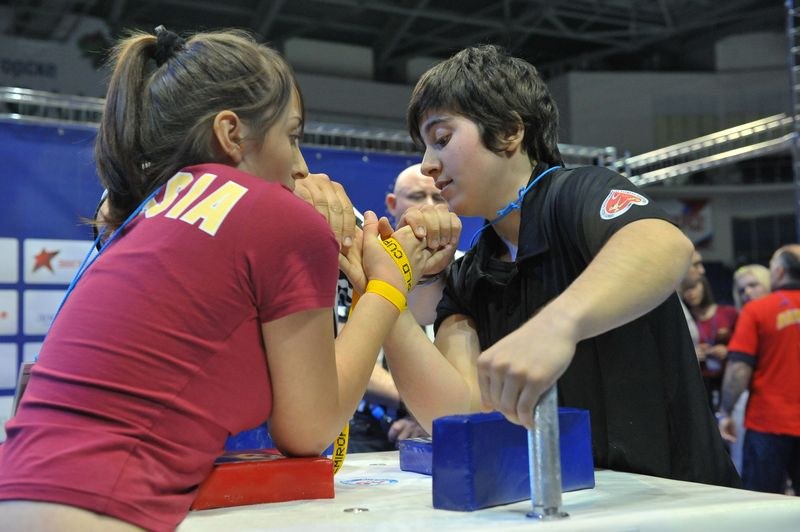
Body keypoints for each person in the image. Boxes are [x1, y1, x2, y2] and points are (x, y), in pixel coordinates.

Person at [0, 27, 439, 531]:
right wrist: (387, 285)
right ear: (231, 133)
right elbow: (309, 428)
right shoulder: (281, 217)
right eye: (292, 137)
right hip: (97, 510)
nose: (302, 167)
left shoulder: (149, 206)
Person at [367, 44, 740, 487]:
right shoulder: (471, 272)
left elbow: (664, 244)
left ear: (509, 131)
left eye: (442, 138)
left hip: (683, 497)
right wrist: (387, 288)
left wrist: (555, 327)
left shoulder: (578, 193)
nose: (428, 165)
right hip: (579, 505)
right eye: (425, 147)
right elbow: (459, 413)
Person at [346, 164, 448, 451]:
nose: (429, 206)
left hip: (438, 421)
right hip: (368, 425)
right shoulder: (362, 260)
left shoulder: (464, 266)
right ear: (392, 203)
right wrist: (420, 404)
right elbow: (343, 349)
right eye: (417, 196)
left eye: (438, 197)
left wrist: (428, 415)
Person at [719, 245, 800, 494]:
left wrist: (725, 411)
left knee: (762, 503)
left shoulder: (757, 310)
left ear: (778, 272)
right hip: (771, 424)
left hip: (768, 424)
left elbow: (738, 370)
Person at [727, 263, 771, 473]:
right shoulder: (743, 318)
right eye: (742, 289)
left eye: (753, 285)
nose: (747, 293)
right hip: (750, 402)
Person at [680, 275, 738, 410]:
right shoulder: (685, 320)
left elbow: (745, 344)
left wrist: (728, 350)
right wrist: (692, 354)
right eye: (686, 290)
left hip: (728, 379)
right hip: (700, 383)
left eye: (693, 287)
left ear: (704, 286)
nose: (690, 293)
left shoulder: (728, 313)